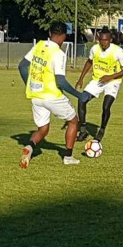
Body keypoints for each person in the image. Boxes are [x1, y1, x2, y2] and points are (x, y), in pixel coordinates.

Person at [18, 21, 87, 168]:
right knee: (73, 121)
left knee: (43, 129)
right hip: (52, 96)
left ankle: (29, 147)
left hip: (36, 96)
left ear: (49, 33)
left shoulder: (40, 45)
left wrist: (29, 84)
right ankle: (68, 157)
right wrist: (79, 95)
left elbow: (22, 66)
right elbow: (60, 81)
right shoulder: (59, 54)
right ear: (63, 36)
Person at [75, 27, 123, 142]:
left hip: (113, 81)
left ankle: (101, 130)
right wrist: (81, 79)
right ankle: (83, 130)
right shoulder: (95, 49)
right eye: (101, 40)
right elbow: (89, 62)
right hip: (98, 80)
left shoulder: (118, 51)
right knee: (82, 100)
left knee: (106, 106)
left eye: (106, 40)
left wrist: (110, 77)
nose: (103, 43)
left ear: (110, 40)